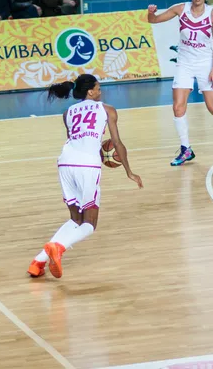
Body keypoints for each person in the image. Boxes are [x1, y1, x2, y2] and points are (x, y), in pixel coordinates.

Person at [27, 74, 143, 279]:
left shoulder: (67, 112)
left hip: (65, 161)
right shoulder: (107, 110)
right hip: (87, 165)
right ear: (90, 91)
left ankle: (38, 262)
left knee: (75, 219)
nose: (100, 91)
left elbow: (74, 139)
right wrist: (129, 171)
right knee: (89, 224)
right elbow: (116, 143)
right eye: (98, 88)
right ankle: (59, 248)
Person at [147, 0, 213, 166]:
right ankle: (186, 149)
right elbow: (154, 20)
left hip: (205, 63)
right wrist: (151, 13)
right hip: (184, 63)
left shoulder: (212, 14)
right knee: (178, 107)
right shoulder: (180, 9)